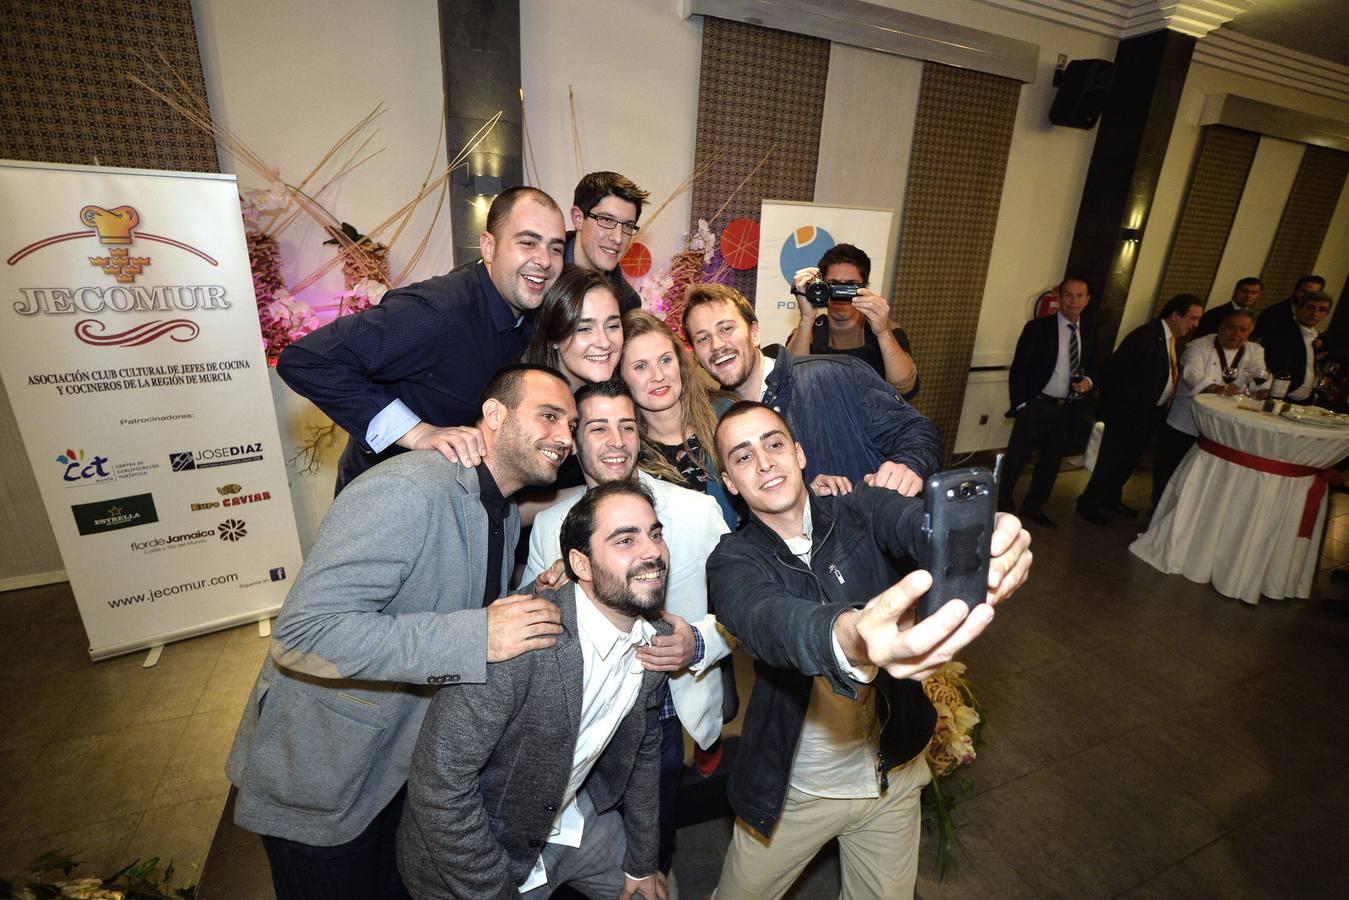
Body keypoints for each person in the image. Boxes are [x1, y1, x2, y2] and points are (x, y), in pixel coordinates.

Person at [226, 365, 576, 900]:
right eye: (548, 416)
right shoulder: (409, 488)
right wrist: (478, 636)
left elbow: (444, 606)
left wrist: (530, 598)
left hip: (397, 775)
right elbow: (304, 634)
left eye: (571, 425)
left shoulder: (502, 513)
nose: (564, 437)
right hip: (325, 779)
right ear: (494, 414)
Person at [706, 401, 1031, 900]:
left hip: (892, 778)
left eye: (774, 444)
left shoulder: (863, 508)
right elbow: (769, 619)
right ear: (730, 481)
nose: (765, 462)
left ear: (799, 453)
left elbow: (916, 524)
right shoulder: (732, 562)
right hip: (797, 790)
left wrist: (978, 539)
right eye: (743, 456)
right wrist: (851, 634)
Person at [398, 480, 671, 900]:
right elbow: (439, 787)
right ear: (581, 565)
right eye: (625, 540)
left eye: (655, 534)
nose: (652, 551)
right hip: (478, 854)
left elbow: (644, 749)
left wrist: (642, 861)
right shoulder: (517, 644)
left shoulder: (655, 642)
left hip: (572, 818)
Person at [520, 380, 732, 885]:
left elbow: (747, 612)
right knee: (577, 826)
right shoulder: (551, 523)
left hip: (664, 708)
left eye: (627, 427)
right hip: (581, 712)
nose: (616, 441)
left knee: (652, 834)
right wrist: (543, 590)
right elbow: (525, 620)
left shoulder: (695, 510)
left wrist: (699, 642)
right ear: (575, 441)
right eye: (598, 428)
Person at [277, 187, 568, 493]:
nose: (544, 260)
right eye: (527, 242)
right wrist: (416, 432)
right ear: (488, 246)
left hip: (453, 499)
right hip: (388, 502)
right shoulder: (440, 309)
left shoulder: (528, 314)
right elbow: (307, 359)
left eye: (556, 248)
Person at [683, 283, 943, 496]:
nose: (717, 345)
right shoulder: (714, 422)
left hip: (878, 536)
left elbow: (917, 430)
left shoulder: (836, 374)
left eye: (726, 329)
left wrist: (908, 465)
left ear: (755, 332)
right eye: (703, 338)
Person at [1076, 294, 1204, 525]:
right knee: (1111, 460)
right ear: (1175, 315)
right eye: (1192, 318)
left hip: (1150, 414)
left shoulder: (1170, 339)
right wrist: (1115, 409)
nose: (1195, 324)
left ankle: (1110, 497)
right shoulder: (1145, 336)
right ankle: (1089, 502)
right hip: (1127, 413)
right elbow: (1114, 371)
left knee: (1128, 460)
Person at [620, 309, 739, 527]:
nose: (658, 376)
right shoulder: (625, 453)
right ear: (621, 377)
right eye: (641, 366)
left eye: (665, 360)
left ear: (680, 363)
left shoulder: (728, 415)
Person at [999, 276, 1097, 528]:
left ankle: (1034, 506)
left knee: (1050, 463)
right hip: (1036, 405)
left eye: (1079, 296)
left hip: (1067, 408)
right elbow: (1019, 369)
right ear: (1059, 298)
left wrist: (1089, 382)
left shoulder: (1090, 331)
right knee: (1016, 460)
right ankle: (1001, 506)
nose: (1073, 301)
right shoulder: (1038, 328)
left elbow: (1095, 365)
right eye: (1068, 295)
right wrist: (1021, 405)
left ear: (1087, 300)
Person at [522, 264, 626, 489]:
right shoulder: (525, 403)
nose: (604, 342)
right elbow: (510, 500)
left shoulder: (619, 396)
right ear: (554, 337)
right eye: (584, 329)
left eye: (612, 326)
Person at [1153, 309, 1266, 505]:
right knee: (1169, 469)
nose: (1235, 334)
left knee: (1200, 476)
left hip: (1222, 425)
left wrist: (1263, 388)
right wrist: (1218, 388)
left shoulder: (1255, 350)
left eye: (1243, 330)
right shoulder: (1198, 346)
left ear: (1250, 332)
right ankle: (1158, 506)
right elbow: (1191, 374)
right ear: (1221, 326)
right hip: (1186, 420)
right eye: (1230, 327)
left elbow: (1261, 375)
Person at [784, 243, 919, 398]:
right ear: (822, 287)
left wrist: (882, 333)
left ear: (865, 287)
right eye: (834, 285)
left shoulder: (889, 331)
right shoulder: (807, 332)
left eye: (850, 286)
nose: (841, 292)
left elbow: (905, 389)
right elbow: (788, 386)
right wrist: (807, 318)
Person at [566, 171, 649, 314]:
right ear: (578, 218)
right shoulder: (542, 276)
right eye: (606, 220)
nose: (618, 238)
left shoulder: (628, 303)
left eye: (628, 226)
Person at [1253, 290, 1335, 403]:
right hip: (1279, 396)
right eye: (1310, 308)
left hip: (1303, 400)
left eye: (1322, 310)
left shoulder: (1314, 335)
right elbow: (1273, 365)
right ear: (1297, 308)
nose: (1315, 313)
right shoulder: (1281, 331)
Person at [1193, 276, 1261, 339]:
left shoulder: (1256, 317)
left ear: (1259, 295)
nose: (1249, 296)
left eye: (1254, 293)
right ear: (1235, 292)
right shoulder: (1213, 314)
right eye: (1244, 292)